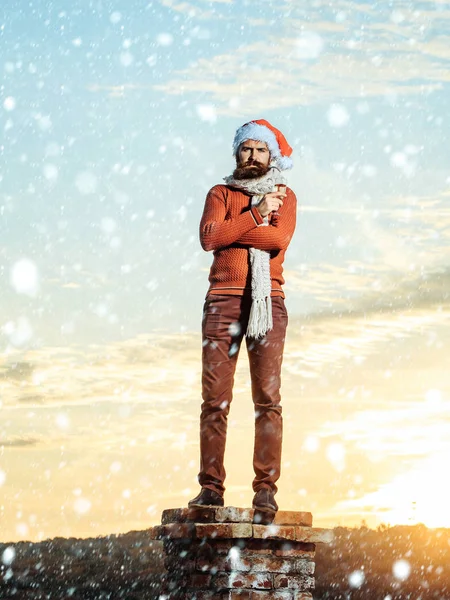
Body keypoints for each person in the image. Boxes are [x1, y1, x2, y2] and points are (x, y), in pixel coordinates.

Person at [188, 119, 297, 519]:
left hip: (269, 303)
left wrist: (232, 230)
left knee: (267, 401)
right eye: (246, 149)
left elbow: (276, 242)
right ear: (237, 153)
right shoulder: (220, 193)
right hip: (222, 301)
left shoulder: (285, 197)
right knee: (214, 401)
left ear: (272, 157)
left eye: (261, 150)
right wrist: (254, 214)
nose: (253, 156)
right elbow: (209, 238)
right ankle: (210, 489)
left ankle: (265, 492)